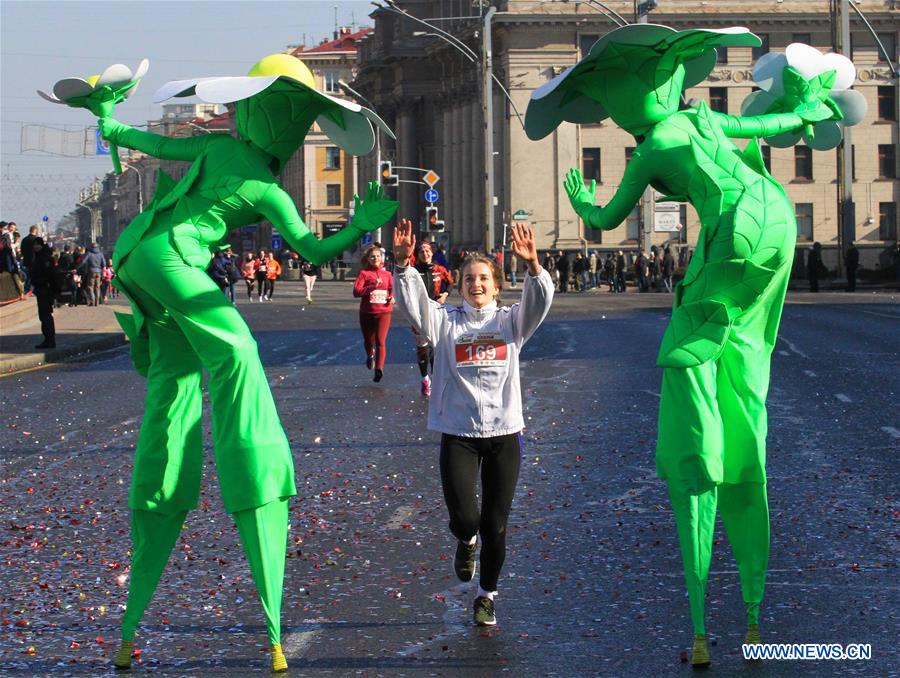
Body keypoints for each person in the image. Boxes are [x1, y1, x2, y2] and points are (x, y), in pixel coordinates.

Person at [92, 53, 397, 672]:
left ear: (246, 109)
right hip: (172, 259)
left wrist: (109, 122)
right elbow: (313, 250)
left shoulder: (218, 148)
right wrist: (360, 227)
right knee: (236, 351)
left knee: (174, 385)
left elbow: (150, 142)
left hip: (136, 255)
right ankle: (254, 475)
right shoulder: (267, 187)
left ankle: (132, 615)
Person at [392, 221, 554, 627]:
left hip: (504, 434)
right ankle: (466, 540)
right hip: (459, 434)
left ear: (496, 287)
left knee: (496, 525)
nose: (476, 284)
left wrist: (533, 266)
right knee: (467, 518)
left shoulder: (511, 322)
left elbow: (539, 303)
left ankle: (486, 595)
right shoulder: (445, 321)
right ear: (460, 286)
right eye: (469, 279)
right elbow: (414, 306)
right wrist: (402, 265)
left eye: (483, 278)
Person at [410, 236, 454, 396]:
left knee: (437, 346)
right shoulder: (413, 271)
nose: (425, 254)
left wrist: (445, 294)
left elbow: (450, 282)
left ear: (432, 253)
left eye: (427, 251)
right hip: (419, 314)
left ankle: (436, 380)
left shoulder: (439, 269)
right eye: (421, 251)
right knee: (423, 348)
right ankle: (425, 379)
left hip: (436, 311)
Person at [353, 243, 393, 382]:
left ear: (381, 258)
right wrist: (371, 287)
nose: (375, 258)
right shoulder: (364, 274)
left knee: (380, 341)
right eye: (372, 256)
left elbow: (392, 289)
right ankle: (370, 355)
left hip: (384, 312)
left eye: (378, 256)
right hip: (367, 313)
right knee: (369, 341)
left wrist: (391, 297)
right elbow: (356, 292)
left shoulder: (387, 274)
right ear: (368, 259)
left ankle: (379, 369)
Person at [28, 237, 58, 349]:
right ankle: (48, 339)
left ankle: (50, 339)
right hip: (41, 288)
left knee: (46, 314)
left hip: (45, 289)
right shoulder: (38, 256)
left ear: (40, 245)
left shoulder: (45, 258)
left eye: (37, 244)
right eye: (34, 245)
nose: (35, 247)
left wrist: (54, 290)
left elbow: (50, 275)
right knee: (43, 315)